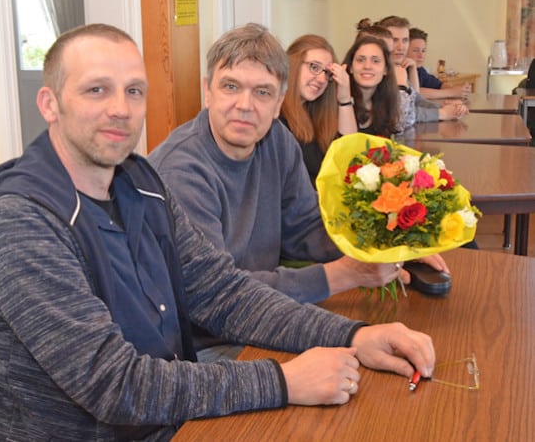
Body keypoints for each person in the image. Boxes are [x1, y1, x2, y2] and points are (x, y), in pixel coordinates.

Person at [0, 23, 437, 441]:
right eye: (96, 90)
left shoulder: (139, 185)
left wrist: (352, 335)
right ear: (50, 104)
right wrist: (283, 381)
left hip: (172, 415)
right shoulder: (18, 223)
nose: (119, 109)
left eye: (134, 91)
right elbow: (115, 385)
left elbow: (224, 293)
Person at [148, 23, 446, 354]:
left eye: (262, 92)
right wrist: (345, 275)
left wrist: (385, 246)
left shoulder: (276, 139)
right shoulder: (181, 171)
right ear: (208, 91)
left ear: (279, 103)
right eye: (230, 86)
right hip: (204, 343)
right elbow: (217, 298)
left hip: (264, 315)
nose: (245, 105)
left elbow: (304, 226)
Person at [279, 34, 357, 185]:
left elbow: (349, 155)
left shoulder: (316, 112)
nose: (322, 79)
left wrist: (345, 99)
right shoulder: (276, 116)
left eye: (327, 73)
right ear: (293, 64)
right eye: (314, 67)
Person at [377, 15, 469, 123]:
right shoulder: (376, 72)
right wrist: (442, 113)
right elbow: (401, 114)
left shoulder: (398, 68)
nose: (401, 47)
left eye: (405, 40)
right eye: (395, 40)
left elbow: (415, 100)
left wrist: (444, 107)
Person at [343, 35, 402, 138]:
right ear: (351, 67)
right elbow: (347, 145)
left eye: (375, 61)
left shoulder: (386, 102)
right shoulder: (339, 100)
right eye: (360, 60)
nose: (367, 66)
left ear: (385, 69)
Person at [407, 27, 471, 100]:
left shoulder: (420, 70)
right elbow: (415, 92)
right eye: (416, 51)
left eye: (423, 51)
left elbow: (439, 85)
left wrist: (459, 89)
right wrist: (452, 92)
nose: (421, 55)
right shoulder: (400, 70)